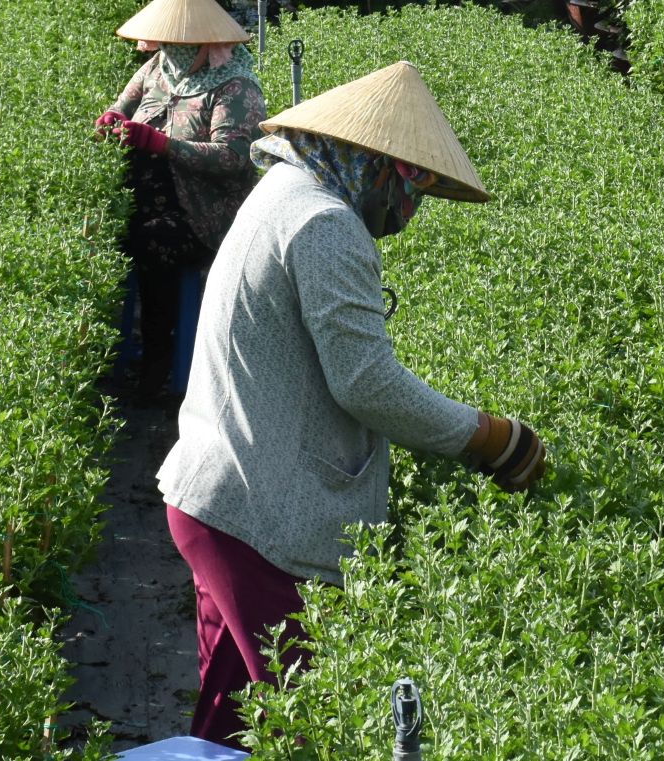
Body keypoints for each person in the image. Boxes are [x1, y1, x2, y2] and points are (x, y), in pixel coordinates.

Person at [157, 60, 546, 745]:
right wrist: (488, 436)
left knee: (233, 719)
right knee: (312, 725)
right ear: (375, 163)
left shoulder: (287, 186)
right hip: (260, 522)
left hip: (214, 498)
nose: (411, 208)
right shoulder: (325, 222)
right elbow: (366, 380)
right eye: (413, 183)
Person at [96, 0, 267, 404]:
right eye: (168, 44)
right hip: (152, 195)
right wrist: (113, 119)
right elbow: (124, 104)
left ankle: (158, 365)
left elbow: (234, 157)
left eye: (182, 45)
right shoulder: (159, 68)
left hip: (202, 213)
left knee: (153, 245)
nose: (172, 52)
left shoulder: (235, 85)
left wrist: (162, 145)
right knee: (107, 235)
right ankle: (112, 352)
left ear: (208, 45)